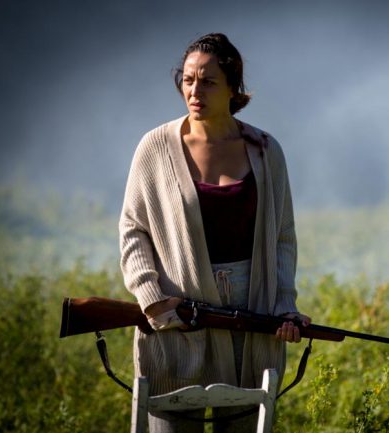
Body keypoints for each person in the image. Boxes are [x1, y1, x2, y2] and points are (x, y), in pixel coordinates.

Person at [119, 32, 310, 432]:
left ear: (232, 87)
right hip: (177, 315)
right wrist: (152, 300)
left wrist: (284, 307)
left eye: (208, 81)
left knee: (242, 419)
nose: (195, 90)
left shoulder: (265, 150)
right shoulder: (155, 147)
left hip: (252, 313)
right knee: (171, 420)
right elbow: (133, 229)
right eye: (188, 80)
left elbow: (283, 238)